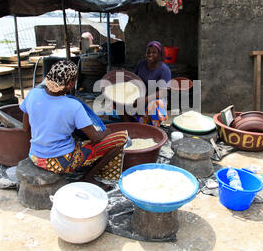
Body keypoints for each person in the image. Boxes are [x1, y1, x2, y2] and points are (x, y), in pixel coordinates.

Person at [19, 60, 127, 190]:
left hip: (35, 156)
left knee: (75, 138)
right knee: (121, 139)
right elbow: (95, 138)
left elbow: (25, 128)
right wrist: (107, 132)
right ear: (70, 83)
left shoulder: (33, 94)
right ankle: (89, 177)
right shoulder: (73, 106)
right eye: (74, 80)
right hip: (60, 162)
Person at [122, 41, 171, 127]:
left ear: (160, 55)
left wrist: (144, 100)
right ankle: (128, 126)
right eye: (148, 52)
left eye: (154, 52)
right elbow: (134, 79)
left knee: (155, 104)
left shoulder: (164, 70)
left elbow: (163, 92)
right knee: (119, 100)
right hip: (141, 96)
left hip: (154, 99)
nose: (150, 54)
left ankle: (154, 129)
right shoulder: (141, 64)